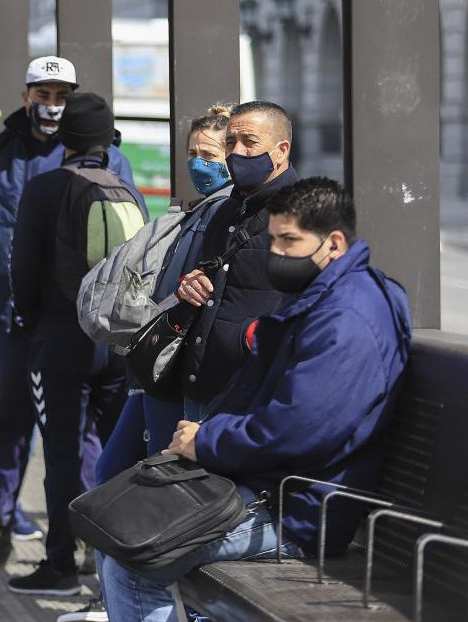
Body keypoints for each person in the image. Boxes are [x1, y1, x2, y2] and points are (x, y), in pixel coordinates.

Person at [98, 176, 412, 622]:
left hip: (298, 509)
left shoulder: (348, 318)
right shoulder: (321, 296)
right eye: (274, 240)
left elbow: (299, 428)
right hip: (271, 486)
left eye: (289, 241)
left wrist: (205, 442)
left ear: (334, 243)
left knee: (133, 559)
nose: (276, 253)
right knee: (115, 522)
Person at [0, 56, 136, 570]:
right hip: (4, 319)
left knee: (79, 434)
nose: (52, 105)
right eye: (43, 94)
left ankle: (86, 536)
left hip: (71, 324)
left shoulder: (107, 158)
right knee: (4, 425)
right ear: (25, 96)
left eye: (61, 96)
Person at [7, 92, 143, 596]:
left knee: (62, 455)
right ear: (108, 138)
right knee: (118, 456)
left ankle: (61, 564)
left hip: (61, 339)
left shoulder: (43, 188)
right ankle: (119, 572)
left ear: (64, 137)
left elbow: (20, 271)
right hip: (119, 346)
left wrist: (34, 321)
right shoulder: (127, 189)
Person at [94, 104, 235, 485]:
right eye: (192, 154)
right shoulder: (198, 212)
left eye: (209, 155)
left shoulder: (226, 213)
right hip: (154, 361)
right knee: (112, 470)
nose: (198, 164)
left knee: (140, 474)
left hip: (173, 364)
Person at [175, 101, 300, 420]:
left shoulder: (302, 216)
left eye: (250, 142)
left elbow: (318, 300)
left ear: (281, 150)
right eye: (230, 142)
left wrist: (254, 337)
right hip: (201, 387)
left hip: (253, 398)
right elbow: (212, 280)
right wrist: (190, 284)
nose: (237, 152)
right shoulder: (225, 212)